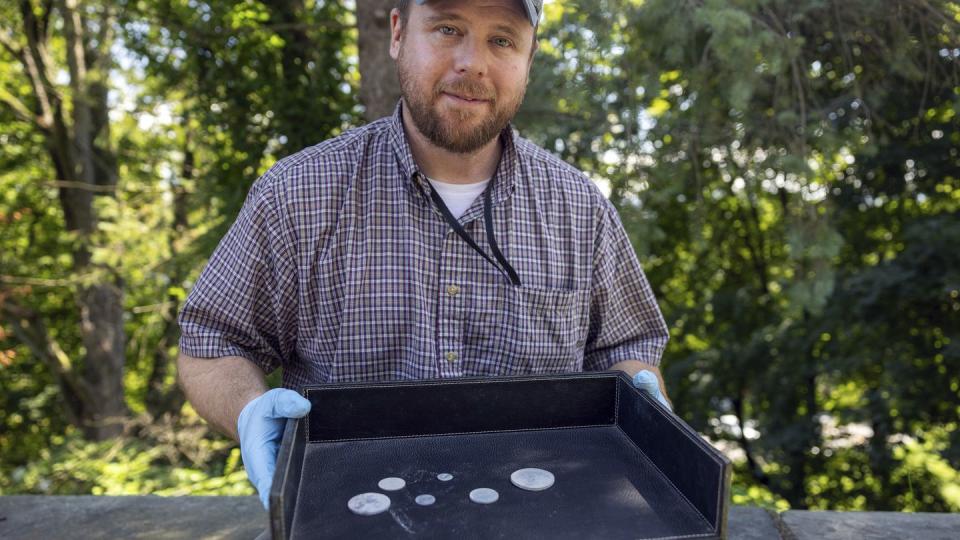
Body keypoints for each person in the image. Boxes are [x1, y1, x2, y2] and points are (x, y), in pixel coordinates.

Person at [177, 0, 671, 509]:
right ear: (397, 33)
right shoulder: (297, 195)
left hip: (540, 518)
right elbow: (213, 340)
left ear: (529, 57)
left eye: (501, 40)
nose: (472, 63)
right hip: (348, 519)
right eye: (447, 28)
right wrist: (249, 409)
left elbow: (624, 351)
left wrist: (644, 403)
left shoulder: (579, 208)